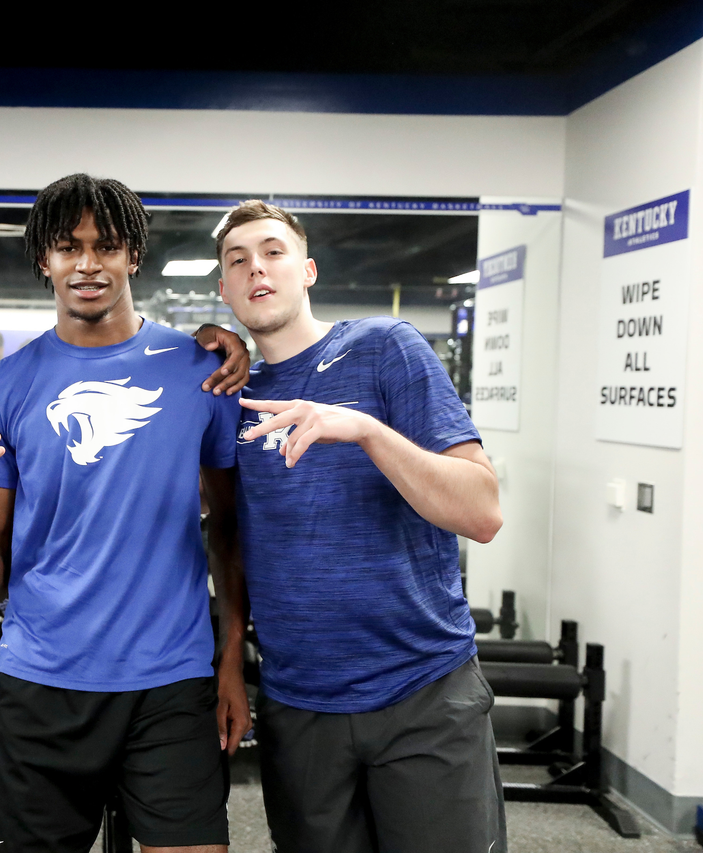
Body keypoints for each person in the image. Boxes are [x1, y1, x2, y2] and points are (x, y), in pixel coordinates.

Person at [0, 173, 251, 852]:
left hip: (170, 683)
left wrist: (231, 660)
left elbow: (229, 530)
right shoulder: (5, 389)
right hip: (44, 683)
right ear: (43, 259)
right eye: (67, 247)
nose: (86, 264)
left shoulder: (201, 369)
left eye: (105, 246)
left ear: (133, 255)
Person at [211, 199, 506, 853]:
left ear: (307, 269)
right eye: (238, 261)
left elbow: (481, 510)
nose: (256, 267)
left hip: (421, 691)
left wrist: (367, 431)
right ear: (225, 290)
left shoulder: (384, 349)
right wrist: (230, 659)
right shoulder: (231, 399)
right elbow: (228, 531)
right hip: (300, 704)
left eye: (273, 252)